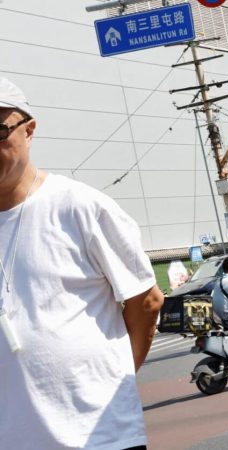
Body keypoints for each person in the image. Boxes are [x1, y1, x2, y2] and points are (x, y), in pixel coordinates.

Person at [0, 77, 164, 449]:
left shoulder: (80, 207)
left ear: (29, 130)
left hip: (99, 436)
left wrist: (117, 379)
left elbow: (147, 300)